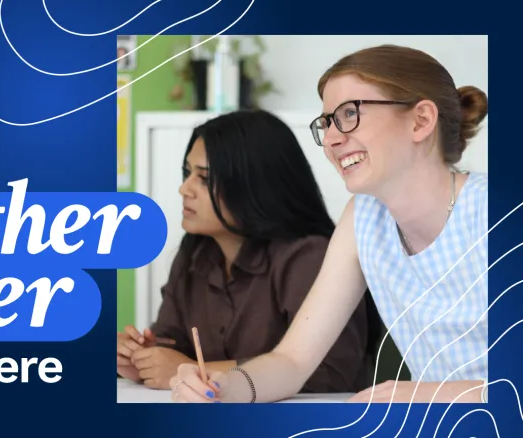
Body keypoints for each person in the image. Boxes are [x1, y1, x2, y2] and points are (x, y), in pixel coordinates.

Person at [169, 44, 489, 404]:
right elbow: (291, 361)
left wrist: (427, 394)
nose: (333, 139)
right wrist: (224, 386)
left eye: (350, 114)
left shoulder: (494, 211)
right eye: (327, 122)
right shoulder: (363, 218)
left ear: (421, 121)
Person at [117, 109, 379, 392]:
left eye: (204, 179)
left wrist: (190, 371)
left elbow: (330, 372)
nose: (184, 189)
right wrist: (143, 357)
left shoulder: (308, 257)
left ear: (254, 185)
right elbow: (173, 343)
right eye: (187, 173)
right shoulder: (194, 252)